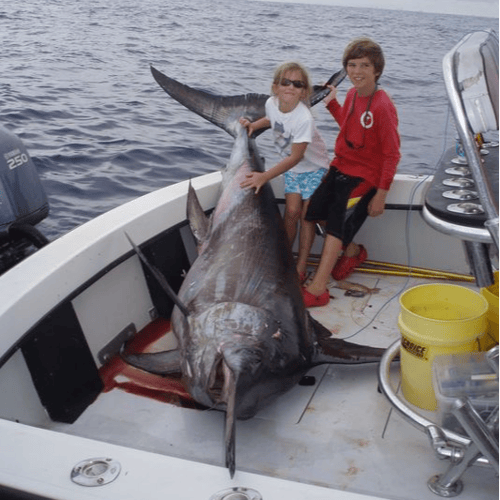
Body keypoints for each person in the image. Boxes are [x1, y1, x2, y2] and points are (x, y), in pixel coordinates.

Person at [302, 37, 401, 307]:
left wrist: (381, 194)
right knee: (311, 213)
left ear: (377, 70)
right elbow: (351, 127)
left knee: (336, 226)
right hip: (341, 166)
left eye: (364, 65)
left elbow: (392, 154)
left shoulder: (382, 106)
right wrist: (333, 104)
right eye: (352, 65)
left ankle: (319, 288)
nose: (357, 71)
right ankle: (354, 251)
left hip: (365, 176)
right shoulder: (353, 94)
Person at [239, 62, 329, 282]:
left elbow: (296, 156)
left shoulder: (303, 118)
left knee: (307, 217)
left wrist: (265, 176)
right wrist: (253, 125)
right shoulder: (272, 103)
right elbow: (271, 119)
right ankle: (284, 256)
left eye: (297, 84)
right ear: (275, 87)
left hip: (312, 169)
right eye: (285, 82)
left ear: (304, 91)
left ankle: (301, 263)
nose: (290, 87)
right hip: (292, 168)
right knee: (290, 213)